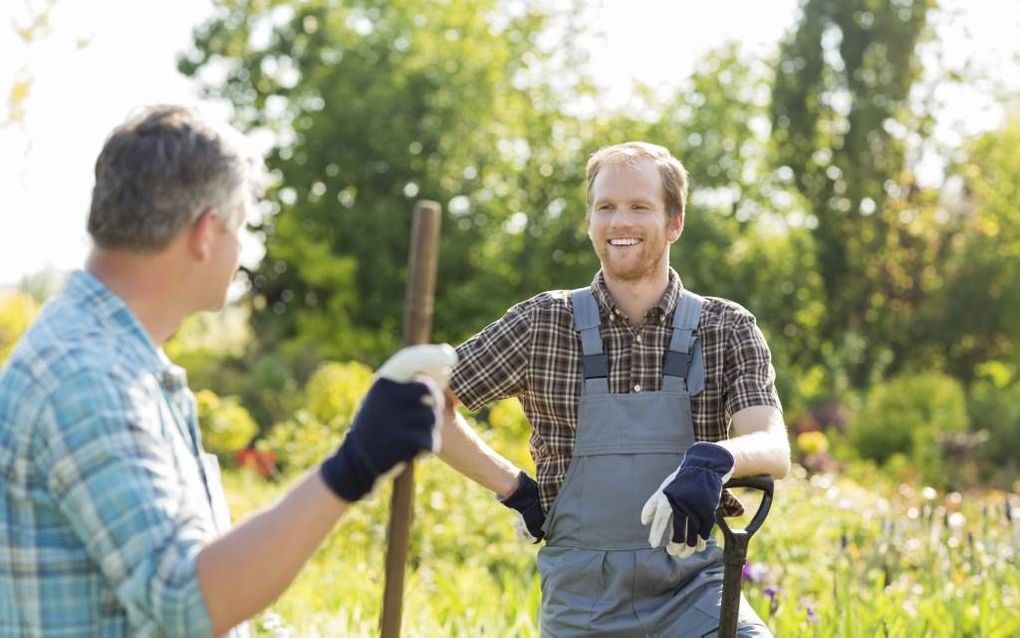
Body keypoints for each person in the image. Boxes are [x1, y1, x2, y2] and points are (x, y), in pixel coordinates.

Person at [0, 105, 456, 637]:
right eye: (240, 225)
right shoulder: (88, 376)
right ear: (205, 231)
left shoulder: (112, 357)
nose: (242, 251)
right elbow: (185, 601)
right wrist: (354, 464)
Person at [439, 141, 791, 636]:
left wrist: (716, 459)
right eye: (605, 207)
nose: (618, 222)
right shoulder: (543, 323)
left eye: (639, 206)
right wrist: (515, 489)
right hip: (582, 604)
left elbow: (772, 444)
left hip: (692, 590)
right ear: (589, 222)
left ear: (675, 222)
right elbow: (425, 405)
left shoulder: (726, 328)